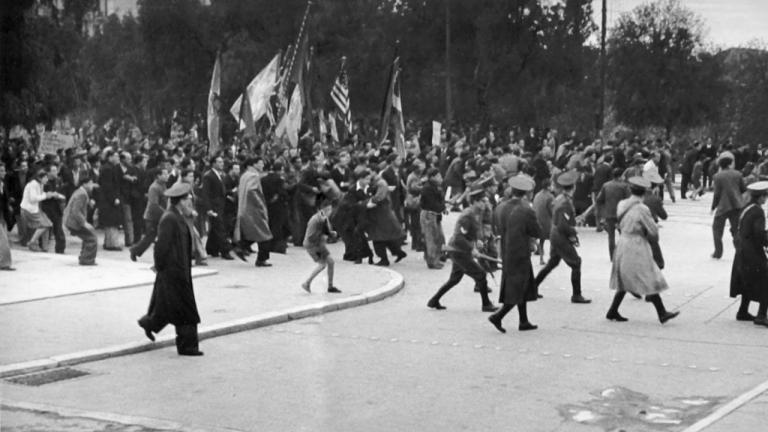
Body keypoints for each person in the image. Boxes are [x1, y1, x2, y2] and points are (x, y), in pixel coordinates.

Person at [137, 182, 204, 356]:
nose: (190, 200)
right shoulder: (169, 218)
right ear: (180, 201)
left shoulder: (178, 216)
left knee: (169, 306)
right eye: (187, 197)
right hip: (174, 271)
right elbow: (161, 247)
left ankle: (149, 323)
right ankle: (187, 346)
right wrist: (160, 267)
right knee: (185, 309)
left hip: (179, 270)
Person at [605, 176, 679, 324]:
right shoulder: (642, 208)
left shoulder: (622, 204)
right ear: (644, 192)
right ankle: (662, 312)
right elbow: (652, 230)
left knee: (624, 277)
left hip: (623, 242)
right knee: (649, 274)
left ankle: (613, 310)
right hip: (637, 244)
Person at [427, 188, 499, 312]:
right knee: (481, 274)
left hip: (462, 250)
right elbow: (459, 237)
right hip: (458, 250)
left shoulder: (478, 213)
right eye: (482, 201)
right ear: (475, 202)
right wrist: (472, 248)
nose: (485, 204)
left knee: (454, 279)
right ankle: (486, 304)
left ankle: (434, 300)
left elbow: (473, 232)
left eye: (486, 201)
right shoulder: (468, 215)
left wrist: (478, 242)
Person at [488, 176, 540, 333]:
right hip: (520, 251)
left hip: (506, 249)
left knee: (519, 286)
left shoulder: (501, 207)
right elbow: (536, 231)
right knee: (518, 287)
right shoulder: (527, 209)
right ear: (526, 193)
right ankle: (498, 316)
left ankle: (523, 320)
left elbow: (495, 225)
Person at [534, 171, 592, 304]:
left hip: (555, 235)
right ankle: (576, 295)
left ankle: (533, 286)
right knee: (576, 262)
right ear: (574, 187)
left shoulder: (559, 198)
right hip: (561, 236)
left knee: (552, 263)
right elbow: (563, 225)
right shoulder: (565, 202)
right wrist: (574, 230)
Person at [729, 181, 768, 326]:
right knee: (765, 281)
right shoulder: (758, 211)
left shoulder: (747, 208)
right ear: (761, 197)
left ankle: (743, 311)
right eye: (766, 196)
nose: (766, 199)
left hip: (742, 251)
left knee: (747, 281)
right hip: (753, 252)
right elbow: (758, 233)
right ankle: (762, 315)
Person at [233, 157, 273, 266]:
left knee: (256, 233)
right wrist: (260, 204)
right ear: (254, 164)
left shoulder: (244, 175)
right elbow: (252, 191)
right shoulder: (254, 176)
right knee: (265, 234)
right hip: (254, 209)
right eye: (260, 163)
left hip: (244, 208)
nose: (262, 166)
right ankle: (261, 259)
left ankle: (241, 246)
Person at [365, 171, 407, 266]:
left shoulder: (380, 183)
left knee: (378, 238)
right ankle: (398, 252)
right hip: (381, 214)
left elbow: (379, 197)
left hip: (380, 215)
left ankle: (384, 259)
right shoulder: (378, 183)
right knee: (386, 238)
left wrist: (369, 200)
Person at [711, 154, 746, 259]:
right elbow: (743, 189)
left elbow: (717, 194)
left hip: (723, 206)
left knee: (717, 230)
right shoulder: (738, 174)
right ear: (730, 164)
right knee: (736, 230)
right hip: (737, 205)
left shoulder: (717, 176)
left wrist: (713, 206)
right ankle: (739, 251)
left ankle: (718, 252)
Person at [130, 167, 168, 261]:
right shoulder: (154, 187)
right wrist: (166, 213)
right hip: (152, 217)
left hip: (161, 216)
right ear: (158, 176)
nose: (167, 176)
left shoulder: (163, 185)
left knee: (161, 237)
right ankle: (135, 250)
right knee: (149, 238)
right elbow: (154, 205)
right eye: (165, 174)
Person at [301, 205, 342, 294]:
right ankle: (307, 283)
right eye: (328, 209)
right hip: (314, 246)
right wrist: (325, 234)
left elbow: (325, 231)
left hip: (319, 245)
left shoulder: (323, 219)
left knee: (330, 262)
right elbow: (311, 237)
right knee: (322, 264)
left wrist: (330, 233)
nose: (330, 212)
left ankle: (330, 286)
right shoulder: (315, 220)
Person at [200, 155, 234, 260]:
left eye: (222, 162)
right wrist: (209, 208)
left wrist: (230, 193)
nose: (222, 164)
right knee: (219, 228)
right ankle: (225, 250)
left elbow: (221, 191)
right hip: (214, 206)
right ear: (213, 163)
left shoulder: (220, 175)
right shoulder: (208, 176)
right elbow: (205, 193)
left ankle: (212, 248)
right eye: (219, 162)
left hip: (221, 205)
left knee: (215, 227)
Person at [20, 169, 60, 252]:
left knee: (48, 224)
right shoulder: (33, 184)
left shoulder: (40, 184)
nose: (47, 179)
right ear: (39, 178)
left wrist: (49, 194)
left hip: (34, 209)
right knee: (45, 225)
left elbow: (40, 195)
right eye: (45, 178)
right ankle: (32, 242)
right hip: (29, 209)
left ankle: (44, 247)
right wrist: (46, 196)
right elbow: (33, 199)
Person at [63, 175, 99, 265]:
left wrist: (88, 203)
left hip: (71, 220)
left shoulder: (80, 191)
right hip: (74, 222)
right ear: (84, 184)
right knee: (92, 238)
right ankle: (87, 260)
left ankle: (84, 258)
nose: (92, 186)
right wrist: (84, 223)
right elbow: (76, 211)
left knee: (88, 237)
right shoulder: (82, 194)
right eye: (90, 183)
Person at [596, 168, 630, 260]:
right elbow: (629, 200)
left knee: (611, 237)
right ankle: (624, 255)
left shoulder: (606, 185)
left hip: (609, 214)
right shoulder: (624, 186)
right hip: (622, 215)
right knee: (624, 235)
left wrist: (602, 211)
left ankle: (612, 256)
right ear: (620, 176)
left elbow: (599, 199)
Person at [419, 167, 446, 269]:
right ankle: (432, 261)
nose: (441, 178)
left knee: (438, 237)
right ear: (432, 177)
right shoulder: (428, 188)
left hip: (435, 215)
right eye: (439, 176)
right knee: (431, 238)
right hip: (429, 215)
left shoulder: (435, 187)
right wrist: (443, 206)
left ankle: (435, 258)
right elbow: (432, 204)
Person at [531, 178, 554, 265]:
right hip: (547, 222)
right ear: (548, 187)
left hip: (537, 222)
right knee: (553, 239)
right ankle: (552, 258)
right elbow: (552, 211)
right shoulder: (550, 197)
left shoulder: (537, 195)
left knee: (541, 240)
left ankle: (541, 258)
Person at [0, 163, 14, 270]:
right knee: (3, 241)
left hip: (2, 216)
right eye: (1, 171)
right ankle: (4, 263)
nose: (3, 173)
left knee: (4, 239)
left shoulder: (3, 183)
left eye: (4, 170)